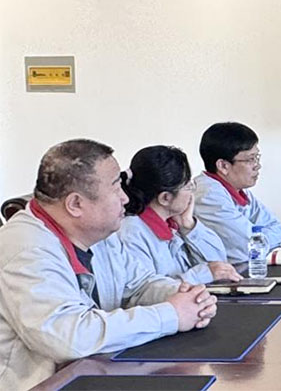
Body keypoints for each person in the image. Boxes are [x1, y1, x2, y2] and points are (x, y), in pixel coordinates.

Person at [0, 139, 217, 390]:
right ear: (75, 204)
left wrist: (185, 296)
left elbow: (139, 285)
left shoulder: (100, 233)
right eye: (116, 188)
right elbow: (69, 337)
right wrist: (171, 315)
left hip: (96, 373)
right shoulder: (27, 248)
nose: (125, 198)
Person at [117, 145, 242, 285]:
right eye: (188, 186)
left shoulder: (173, 224)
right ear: (165, 198)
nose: (192, 192)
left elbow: (220, 264)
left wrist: (189, 226)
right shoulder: (132, 233)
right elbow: (146, 290)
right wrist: (202, 275)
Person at [193, 122, 281, 262]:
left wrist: (261, 239)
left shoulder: (238, 189)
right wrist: (261, 239)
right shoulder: (208, 196)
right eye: (250, 159)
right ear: (223, 166)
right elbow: (249, 248)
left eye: (257, 157)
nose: (257, 165)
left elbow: (277, 228)